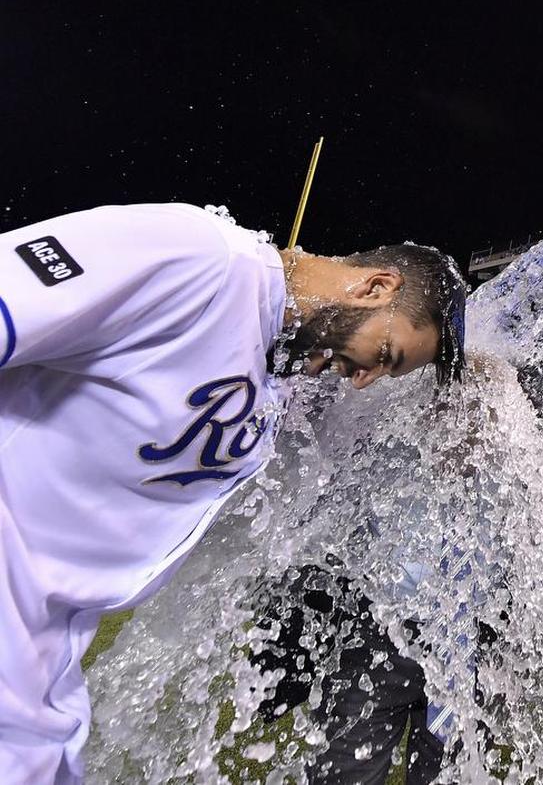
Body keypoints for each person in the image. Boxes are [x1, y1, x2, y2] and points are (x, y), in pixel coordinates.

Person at [0, 203, 467, 783]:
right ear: (375, 287)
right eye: (385, 356)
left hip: (42, 657)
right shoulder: (201, 257)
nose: (365, 378)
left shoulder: (281, 376)